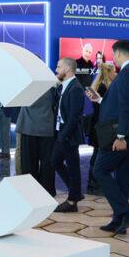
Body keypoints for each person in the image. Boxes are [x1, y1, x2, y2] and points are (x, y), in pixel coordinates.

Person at [90, 40, 129, 234]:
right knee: (122, 178)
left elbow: (126, 107)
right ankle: (119, 220)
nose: (113, 58)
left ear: (119, 53)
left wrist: (121, 136)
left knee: (100, 170)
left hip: (124, 136)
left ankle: (126, 212)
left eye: (114, 55)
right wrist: (101, 99)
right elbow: (122, 102)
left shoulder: (128, 73)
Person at [52, 58, 85, 212]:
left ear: (68, 69)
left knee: (73, 167)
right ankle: (76, 193)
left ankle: (72, 201)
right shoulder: (65, 85)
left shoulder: (76, 88)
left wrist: (64, 135)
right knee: (55, 162)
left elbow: (74, 117)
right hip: (62, 132)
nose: (56, 69)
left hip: (68, 134)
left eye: (59, 67)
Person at [16, 79, 57, 196]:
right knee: (47, 163)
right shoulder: (52, 86)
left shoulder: (26, 86)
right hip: (47, 127)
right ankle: (47, 192)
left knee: (28, 163)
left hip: (28, 128)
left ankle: (30, 192)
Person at [87, 63, 117, 191]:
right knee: (101, 153)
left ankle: (92, 180)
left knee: (97, 152)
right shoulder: (107, 87)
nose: (116, 74)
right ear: (110, 72)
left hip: (96, 124)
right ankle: (96, 179)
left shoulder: (96, 86)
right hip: (104, 125)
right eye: (114, 71)